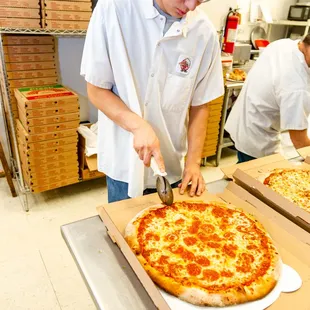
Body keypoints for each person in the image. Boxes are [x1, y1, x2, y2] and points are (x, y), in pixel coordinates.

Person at [81, 0, 224, 203]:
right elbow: (96, 89)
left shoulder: (204, 33)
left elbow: (200, 105)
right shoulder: (114, 8)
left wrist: (193, 163)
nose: (191, 6)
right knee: (124, 228)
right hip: (124, 160)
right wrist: (137, 126)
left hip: (171, 163)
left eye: (201, 0)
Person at [225, 36, 310, 163]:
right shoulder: (296, 86)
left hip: (244, 121)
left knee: (243, 170)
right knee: (252, 176)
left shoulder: (284, 44)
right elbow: (300, 142)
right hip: (258, 137)